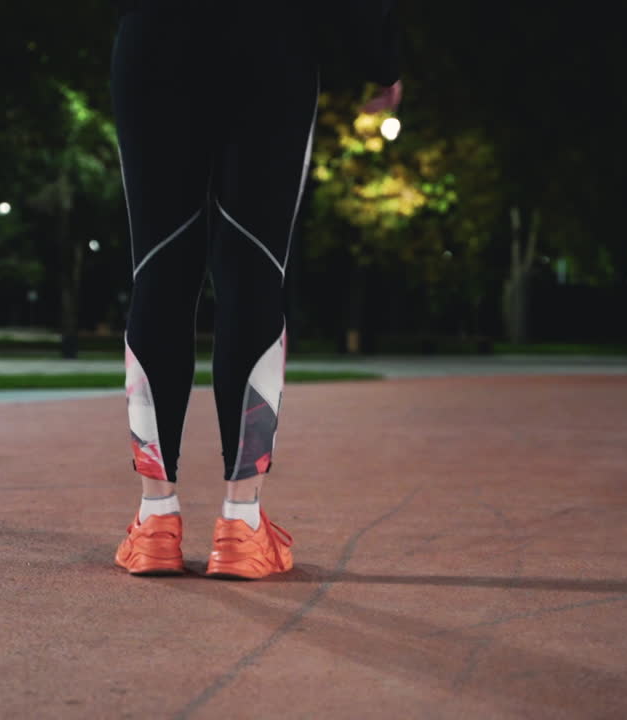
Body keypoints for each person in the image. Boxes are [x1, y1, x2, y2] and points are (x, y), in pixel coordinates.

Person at [111, 0, 402, 579]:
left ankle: (155, 523)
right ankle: (241, 527)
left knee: (158, 270)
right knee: (254, 272)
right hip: (270, 44)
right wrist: (381, 61)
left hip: (156, 41)